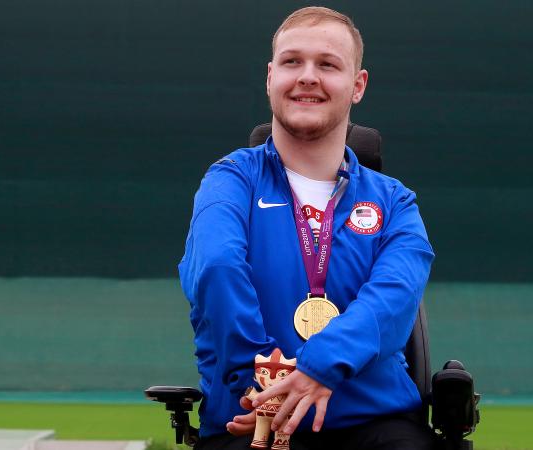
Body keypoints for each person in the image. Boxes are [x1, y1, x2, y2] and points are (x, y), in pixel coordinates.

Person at [178, 6, 435, 450]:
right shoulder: (230, 181)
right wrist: (262, 388)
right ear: (270, 76)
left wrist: (319, 367)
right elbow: (217, 269)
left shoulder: (395, 202)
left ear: (357, 86)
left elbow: (392, 302)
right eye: (292, 61)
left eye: (328, 64)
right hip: (251, 419)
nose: (308, 76)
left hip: (372, 424)